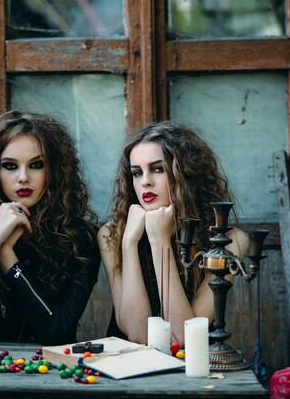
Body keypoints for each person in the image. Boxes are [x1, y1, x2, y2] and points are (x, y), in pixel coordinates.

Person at [0, 110, 100, 345]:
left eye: (36, 165)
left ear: (55, 170)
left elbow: (57, 331)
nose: (23, 177)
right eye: (10, 166)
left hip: (53, 374)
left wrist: (7, 255)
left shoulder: (81, 237)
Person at [99, 121, 249, 345]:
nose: (145, 182)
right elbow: (137, 334)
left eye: (158, 169)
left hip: (192, 372)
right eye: (137, 173)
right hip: (126, 372)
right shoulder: (111, 233)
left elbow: (183, 336)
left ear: (186, 174)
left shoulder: (231, 241)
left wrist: (160, 240)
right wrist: (130, 242)